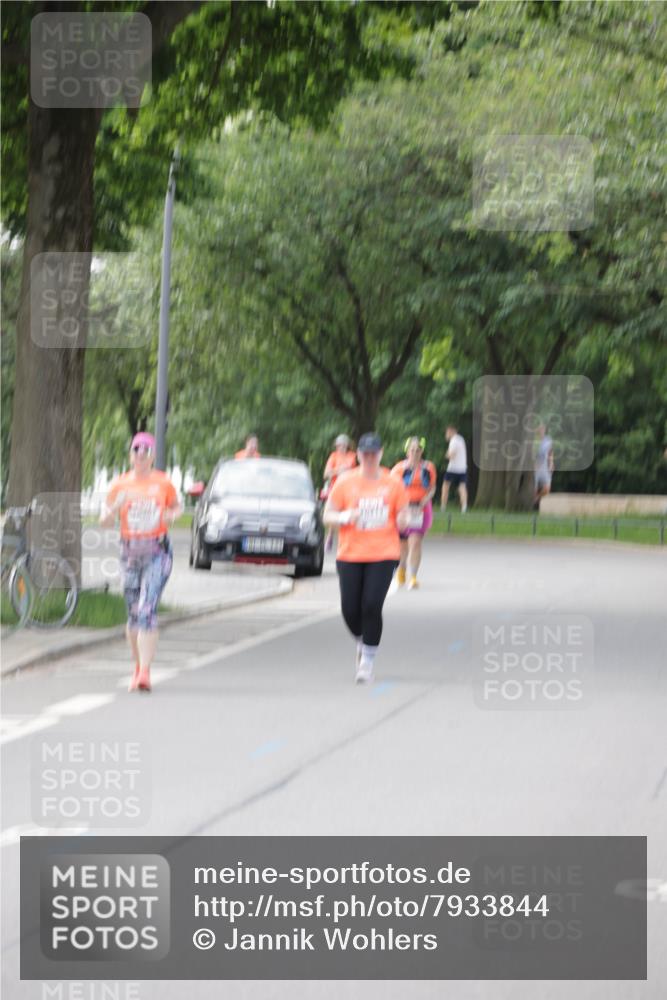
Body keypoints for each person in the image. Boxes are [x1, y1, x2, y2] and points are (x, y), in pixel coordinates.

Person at [100, 432, 182, 693]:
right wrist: (115, 509)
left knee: (147, 610)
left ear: (152, 456)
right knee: (133, 613)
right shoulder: (120, 485)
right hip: (130, 554)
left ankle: (145, 672)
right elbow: (104, 521)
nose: (141, 454)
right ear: (130, 455)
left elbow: (177, 507)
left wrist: (171, 515)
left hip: (158, 552)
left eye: (146, 450)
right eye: (136, 449)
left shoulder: (163, 483)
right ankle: (137, 666)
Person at [324, 433, 409, 684]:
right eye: (365, 453)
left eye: (374, 453)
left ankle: (367, 663)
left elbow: (403, 514)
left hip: (384, 553)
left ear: (380, 454)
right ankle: (363, 641)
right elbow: (327, 515)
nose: (370, 457)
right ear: (359, 455)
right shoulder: (345, 482)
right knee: (350, 609)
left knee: (371, 605)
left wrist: (403, 520)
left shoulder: (393, 482)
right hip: (350, 553)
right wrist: (344, 517)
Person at [391, 437, 436, 590]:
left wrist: (424, 501)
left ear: (421, 452)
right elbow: (392, 488)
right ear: (407, 451)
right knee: (402, 545)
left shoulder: (428, 467)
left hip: (420, 509)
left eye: (418, 450)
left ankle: (413, 577)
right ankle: (401, 572)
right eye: (412, 450)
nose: (415, 453)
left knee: (415, 542)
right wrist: (403, 505)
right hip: (403, 509)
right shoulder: (398, 468)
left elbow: (432, 488)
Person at [322, 434, 357, 551]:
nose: (341, 447)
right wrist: (338, 470)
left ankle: (346, 539)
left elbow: (353, 471)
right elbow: (326, 474)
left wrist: (347, 471)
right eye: (339, 445)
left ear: (347, 445)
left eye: (343, 445)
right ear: (336, 446)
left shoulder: (352, 456)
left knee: (347, 512)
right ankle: (330, 535)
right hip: (335, 487)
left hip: (349, 488)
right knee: (333, 512)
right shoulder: (333, 456)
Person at [441, 424, 468, 513]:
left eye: (447, 432)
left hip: (452, 469)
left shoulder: (453, 441)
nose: (446, 434)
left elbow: (451, 455)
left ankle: (443, 507)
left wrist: (446, 455)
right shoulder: (461, 439)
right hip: (462, 468)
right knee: (462, 488)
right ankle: (464, 508)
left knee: (445, 487)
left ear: (451, 431)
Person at [533, 423, 554, 510]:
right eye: (540, 428)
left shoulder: (548, 440)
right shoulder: (533, 440)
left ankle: (536, 499)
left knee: (547, 489)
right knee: (533, 489)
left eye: (543, 428)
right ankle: (533, 506)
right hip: (534, 468)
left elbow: (550, 452)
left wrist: (551, 463)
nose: (541, 430)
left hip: (545, 467)